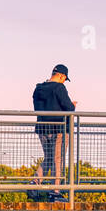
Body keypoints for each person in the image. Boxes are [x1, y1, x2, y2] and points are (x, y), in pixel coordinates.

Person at [31, 65, 76, 202]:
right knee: (58, 159)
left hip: (43, 128)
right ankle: (55, 191)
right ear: (62, 76)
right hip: (59, 129)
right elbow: (68, 108)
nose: (64, 81)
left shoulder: (38, 89)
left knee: (49, 158)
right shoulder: (59, 88)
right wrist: (73, 105)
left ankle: (34, 183)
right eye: (64, 79)